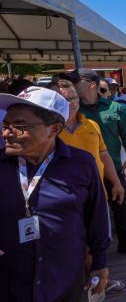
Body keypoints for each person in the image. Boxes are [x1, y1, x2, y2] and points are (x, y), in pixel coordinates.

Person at [0, 86, 110, 301]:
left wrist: (99, 263)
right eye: (6, 125)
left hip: (64, 282)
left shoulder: (82, 163)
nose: (6, 133)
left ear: (53, 129)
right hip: (9, 285)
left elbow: (96, 216)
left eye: (19, 126)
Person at [55, 79, 126, 295]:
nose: (71, 104)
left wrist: (116, 183)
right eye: (64, 100)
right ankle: (86, 286)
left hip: (97, 196)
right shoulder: (51, 131)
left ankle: (100, 282)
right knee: (77, 246)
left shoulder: (90, 124)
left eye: (74, 98)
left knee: (99, 242)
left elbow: (103, 155)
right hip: (67, 201)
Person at [66, 68, 126, 256]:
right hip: (81, 173)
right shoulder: (72, 110)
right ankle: (91, 251)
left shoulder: (114, 108)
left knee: (121, 206)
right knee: (89, 212)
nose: (73, 85)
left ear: (91, 85)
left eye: (76, 81)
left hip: (112, 168)